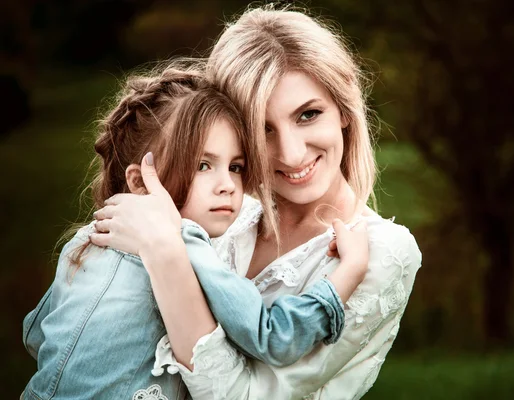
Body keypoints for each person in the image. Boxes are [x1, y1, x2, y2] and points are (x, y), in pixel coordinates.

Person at [91, 4, 423, 399]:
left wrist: (165, 253)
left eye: (308, 115)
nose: (292, 153)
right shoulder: (225, 204)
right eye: (260, 129)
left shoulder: (383, 252)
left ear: (344, 108)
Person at [22, 66, 370, 400]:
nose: (228, 187)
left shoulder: (87, 238)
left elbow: (37, 335)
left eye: (236, 167)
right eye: (203, 165)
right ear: (141, 182)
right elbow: (272, 336)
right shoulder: (184, 241)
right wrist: (346, 276)